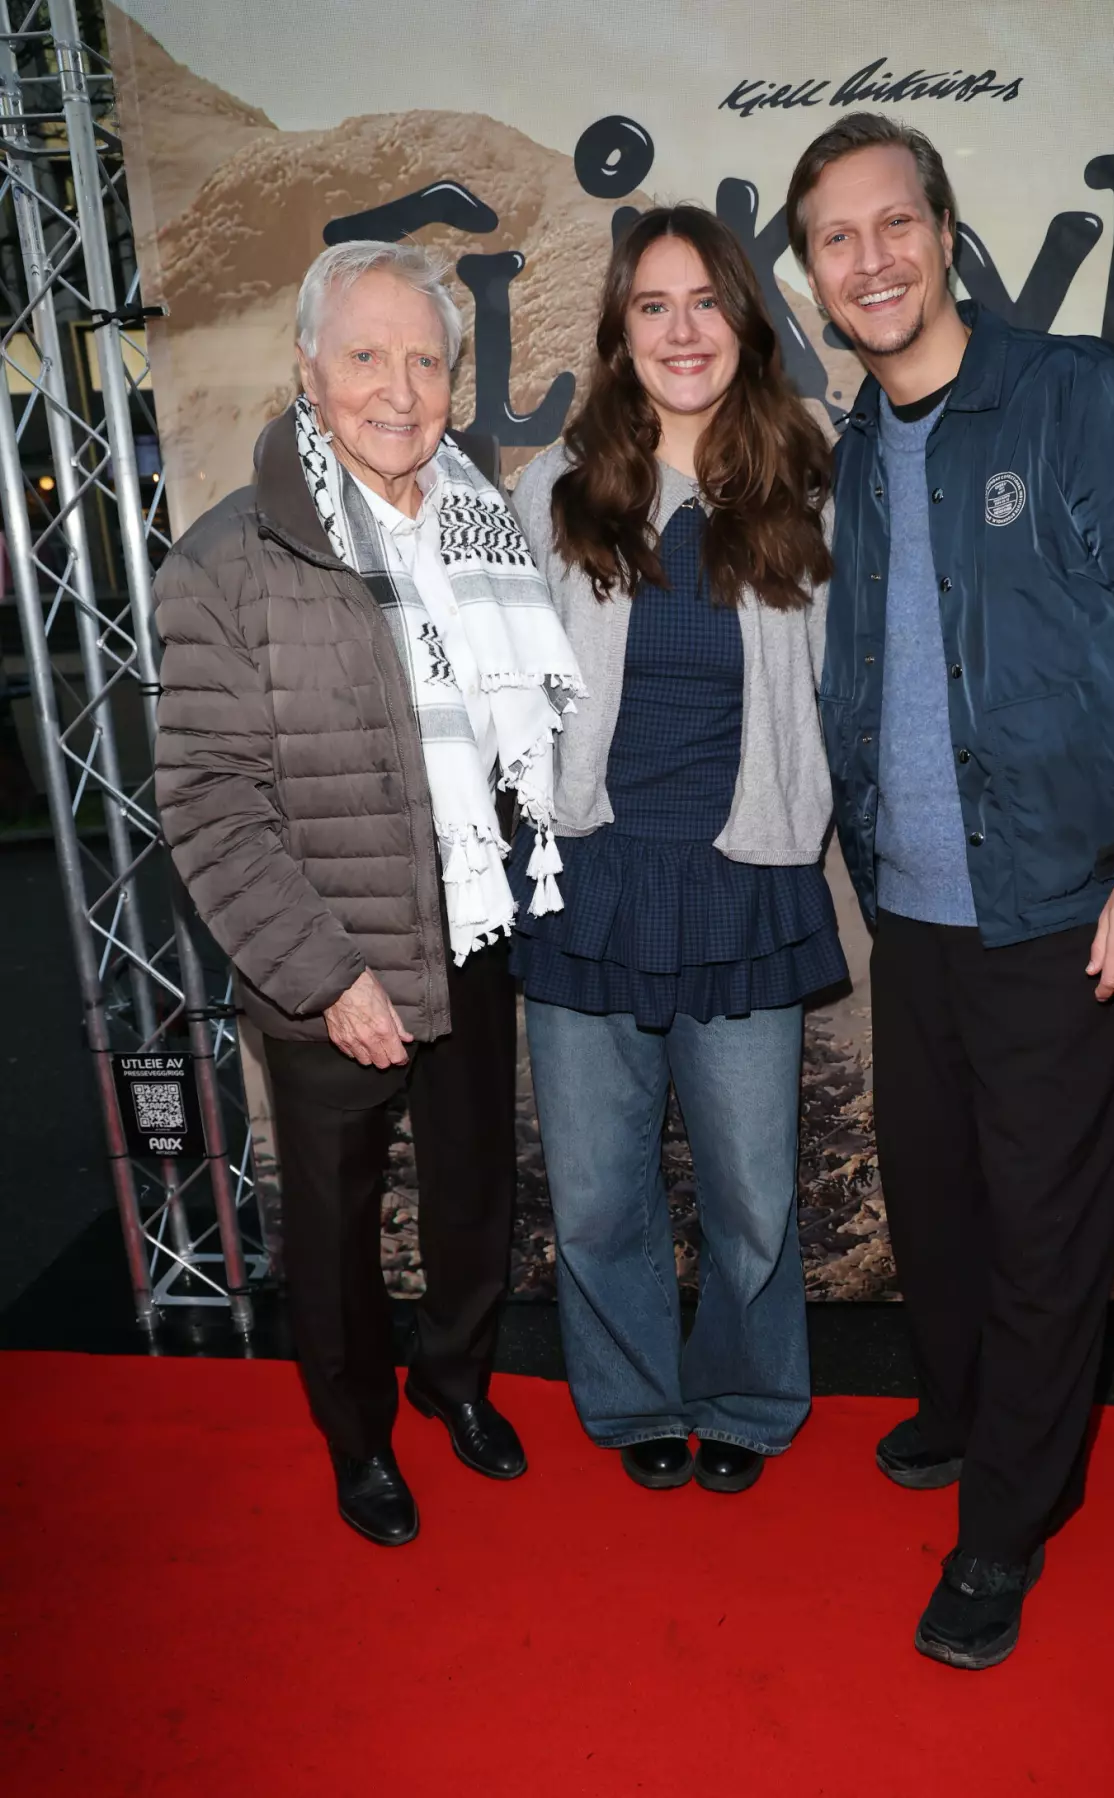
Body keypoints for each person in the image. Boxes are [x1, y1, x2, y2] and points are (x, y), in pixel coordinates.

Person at [787, 116, 1114, 1666]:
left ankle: (1005, 1529)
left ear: (942, 228)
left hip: (1067, 906)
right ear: (812, 273)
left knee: (1051, 1229)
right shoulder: (856, 444)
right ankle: (971, 1412)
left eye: (893, 222)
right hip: (915, 914)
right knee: (941, 1200)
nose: (872, 258)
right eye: (837, 239)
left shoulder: (1078, 402)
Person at [154, 241, 583, 1546]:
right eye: (363, 356)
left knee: (472, 1194)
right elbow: (211, 803)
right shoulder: (224, 562)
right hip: (325, 959)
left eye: (425, 359)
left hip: (469, 929)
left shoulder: (483, 525)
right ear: (305, 371)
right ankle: (358, 1441)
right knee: (336, 1236)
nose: (398, 388)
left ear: (455, 380)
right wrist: (328, 975)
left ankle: (456, 1378)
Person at [508, 205, 844, 1494]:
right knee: (596, 1194)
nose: (682, 329)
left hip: (743, 879)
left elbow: (843, 686)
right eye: (653, 306)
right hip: (587, 878)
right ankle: (635, 1398)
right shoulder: (551, 490)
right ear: (618, 332)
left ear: (746, 318)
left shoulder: (803, 480)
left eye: (705, 300)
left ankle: (752, 1401)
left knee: (755, 1193)